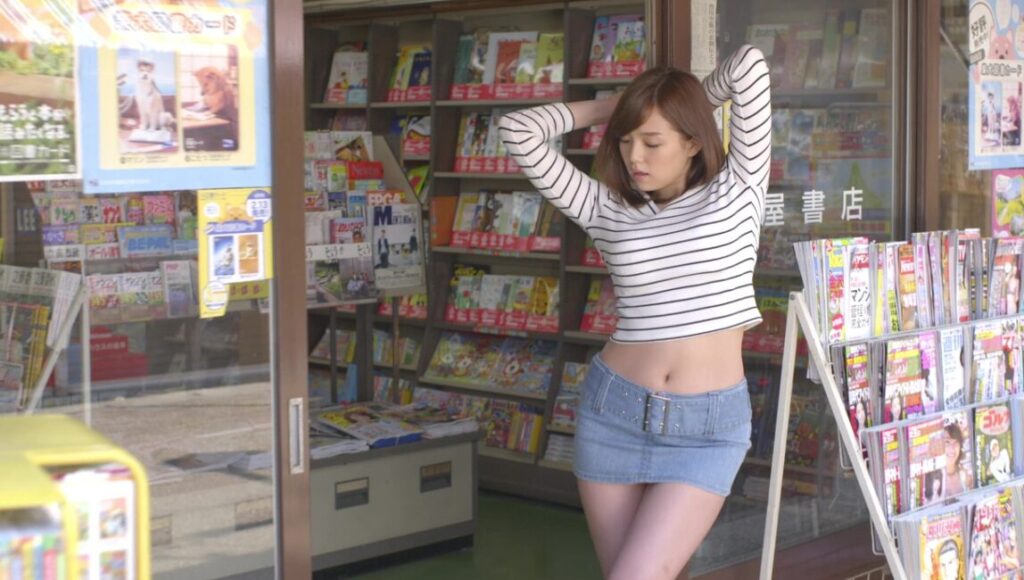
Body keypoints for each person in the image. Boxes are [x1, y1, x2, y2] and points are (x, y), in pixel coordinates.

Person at [498, 44, 771, 579]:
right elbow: (519, 130)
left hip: (708, 428)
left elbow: (750, 66)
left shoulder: (738, 190)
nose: (634, 157)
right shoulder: (607, 209)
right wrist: (613, 106)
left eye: (652, 140)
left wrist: (685, 99)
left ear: (693, 140)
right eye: (625, 142)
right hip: (613, 415)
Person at [942, 421, 970, 496]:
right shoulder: (934, 478)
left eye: (956, 442)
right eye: (947, 442)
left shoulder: (965, 474)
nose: (952, 448)